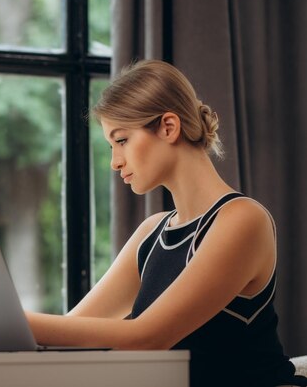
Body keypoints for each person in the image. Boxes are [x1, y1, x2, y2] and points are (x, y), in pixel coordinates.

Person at [25, 60, 307, 387]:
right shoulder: (152, 232)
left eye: (122, 140)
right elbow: (71, 329)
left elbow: (147, 338)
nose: (115, 162)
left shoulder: (243, 219)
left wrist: (18, 322)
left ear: (169, 127)